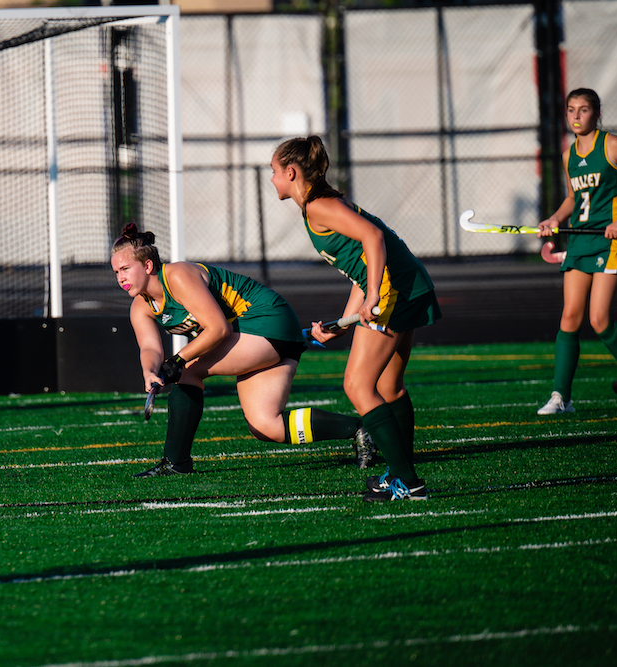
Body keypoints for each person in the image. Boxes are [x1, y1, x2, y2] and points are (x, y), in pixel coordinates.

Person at [111, 223, 376, 477]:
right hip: (253, 335)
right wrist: (150, 371)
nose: (121, 278)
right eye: (116, 272)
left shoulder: (178, 276)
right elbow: (148, 347)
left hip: (266, 320)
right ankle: (362, 429)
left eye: (125, 268)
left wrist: (179, 360)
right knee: (265, 426)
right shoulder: (140, 306)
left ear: (147, 265)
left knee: (188, 372)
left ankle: (176, 462)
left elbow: (217, 329)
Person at [270, 136, 441, 501]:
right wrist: (343, 323)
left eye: (274, 172)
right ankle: (399, 473)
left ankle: (408, 482)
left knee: (357, 386)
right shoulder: (318, 206)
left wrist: (377, 292)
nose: (272, 179)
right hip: (407, 285)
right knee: (390, 387)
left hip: (395, 290)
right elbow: (360, 270)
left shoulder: (319, 206)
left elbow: (373, 238)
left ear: (291, 171)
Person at [536, 88, 617, 414]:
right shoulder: (568, 155)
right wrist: (554, 218)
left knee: (599, 318)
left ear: (597, 113)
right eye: (571, 110)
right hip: (580, 241)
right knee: (570, 316)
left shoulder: (613, 145)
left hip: (609, 241)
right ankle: (560, 397)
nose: (576, 116)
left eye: (584, 109)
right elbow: (573, 198)